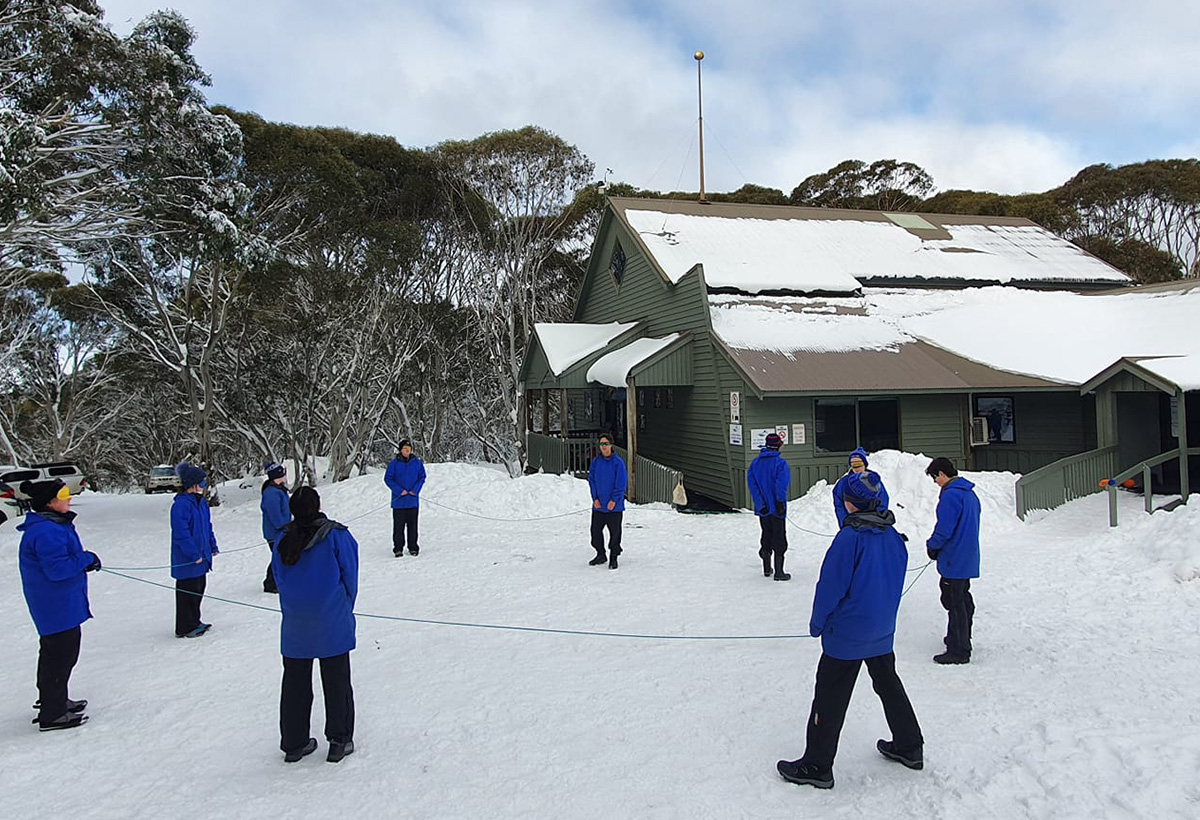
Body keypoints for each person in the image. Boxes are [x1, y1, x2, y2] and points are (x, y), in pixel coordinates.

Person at [777, 470, 923, 789]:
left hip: (847, 634)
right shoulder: (893, 535)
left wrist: (818, 623)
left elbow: (830, 586)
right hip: (881, 630)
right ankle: (910, 745)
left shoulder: (850, 537)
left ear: (851, 503)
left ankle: (817, 763)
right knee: (888, 683)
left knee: (830, 695)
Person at [272, 486, 358, 764]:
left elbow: (278, 577)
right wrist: (344, 605)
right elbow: (350, 574)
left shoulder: (282, 538)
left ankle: (294, 743)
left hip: (296, 621)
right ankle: (340, 739)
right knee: (337, 681)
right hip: (331, 617)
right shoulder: (335, 535)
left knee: (295, 682)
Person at [18, 479, 102, 731]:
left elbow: (62, 561)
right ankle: (52, 714)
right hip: (54, 604)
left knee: (55, 654)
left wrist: (82, 561)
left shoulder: (52, 525)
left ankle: (53, 700)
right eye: (63, 495)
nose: (69, 498)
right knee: (61, 655)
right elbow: (57, 569)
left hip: (60, 602)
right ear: (50, 502)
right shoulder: (46, 531)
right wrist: (85, 558)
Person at [924, 457, 981, 665]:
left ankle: (959, 649)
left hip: (953, 558)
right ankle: (960, 637)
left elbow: (944, 529)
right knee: (962, 597)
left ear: (941, 474)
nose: (935, 483)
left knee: (953, 601)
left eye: (934, 478)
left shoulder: (950, 496)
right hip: (967, 556)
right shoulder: (970, 494)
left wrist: (933, 546)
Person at [171, 462, 218, 638]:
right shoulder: (181, 505)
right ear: (192, 484)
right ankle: (185, 627)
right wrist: (194, 554)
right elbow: (181, 533)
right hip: (188, 560)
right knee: (187, 593)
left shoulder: (202, 503)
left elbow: (207, 527)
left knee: (198, 589)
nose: (204, 486)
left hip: (202, 558)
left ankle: (195, 621)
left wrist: (212, 546)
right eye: (202, 482)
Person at [747, 431, 791, 581]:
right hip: (777, 509)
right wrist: (779, 503)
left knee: (766, 534)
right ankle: (779, 572)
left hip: (763, 509)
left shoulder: (755, 464)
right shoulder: (781, 464)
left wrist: (761, 505)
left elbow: (753, 487)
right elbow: (781, 486)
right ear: (778, 446)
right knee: (779, 537)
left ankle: (766, 568)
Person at [587, 432, 627, 569]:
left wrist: (614, 500)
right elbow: (591, 480)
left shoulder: (618, 463)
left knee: (614, 533)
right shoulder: (596, 462)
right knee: (595, 532)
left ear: (611, 445)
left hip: (613, 507)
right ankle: (600, 554)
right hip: (599, 505)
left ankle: (614, 556)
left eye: (606, 444)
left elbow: (621, 484)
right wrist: (595, 498)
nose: (603, 447)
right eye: (601, 444)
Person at [384, 439, 426, 557]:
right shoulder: (394, 464)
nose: (407, 451)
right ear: (400, 450)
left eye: (409, 449)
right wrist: (399, 491)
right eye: (404, 449)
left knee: (413, 526)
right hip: (399, 502)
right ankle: (398, 548)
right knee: (398, 527)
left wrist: (415, 490)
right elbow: (388, 479)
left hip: (412, 501)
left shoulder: (417, 463)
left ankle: (413, 547)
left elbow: (422, 477)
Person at [831, 447, 891, 527]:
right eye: (853, 465)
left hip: (873, 523)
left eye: (859, 464)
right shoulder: (843, 483)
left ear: (864, 464)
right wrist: (845, 523)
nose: (856, 468)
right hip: (853, 523)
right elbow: (839, 504)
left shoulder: (873, 481)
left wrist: (878, 520)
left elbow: (883, 500)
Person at [260, 462, 290, 594]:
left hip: (281, 531)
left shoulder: (278, 490)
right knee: (278, 557)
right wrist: (285, 525)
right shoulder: (272, 494)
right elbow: (276, 517)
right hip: (275, 533)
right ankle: (271, 583)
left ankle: (276, 581)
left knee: (280, 556)